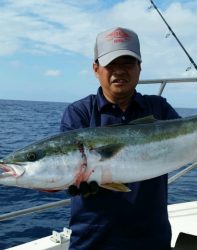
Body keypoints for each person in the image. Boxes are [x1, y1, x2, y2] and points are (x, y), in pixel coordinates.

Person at [60, 27, 180, 250]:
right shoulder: (80, 113)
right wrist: (70, 181)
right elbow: (66, 165)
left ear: (139, 68)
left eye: (127, 63)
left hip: (152, 238)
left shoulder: (159, 109)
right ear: (96, 69)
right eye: (111, 64)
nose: (119, 71)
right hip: (93, 239)